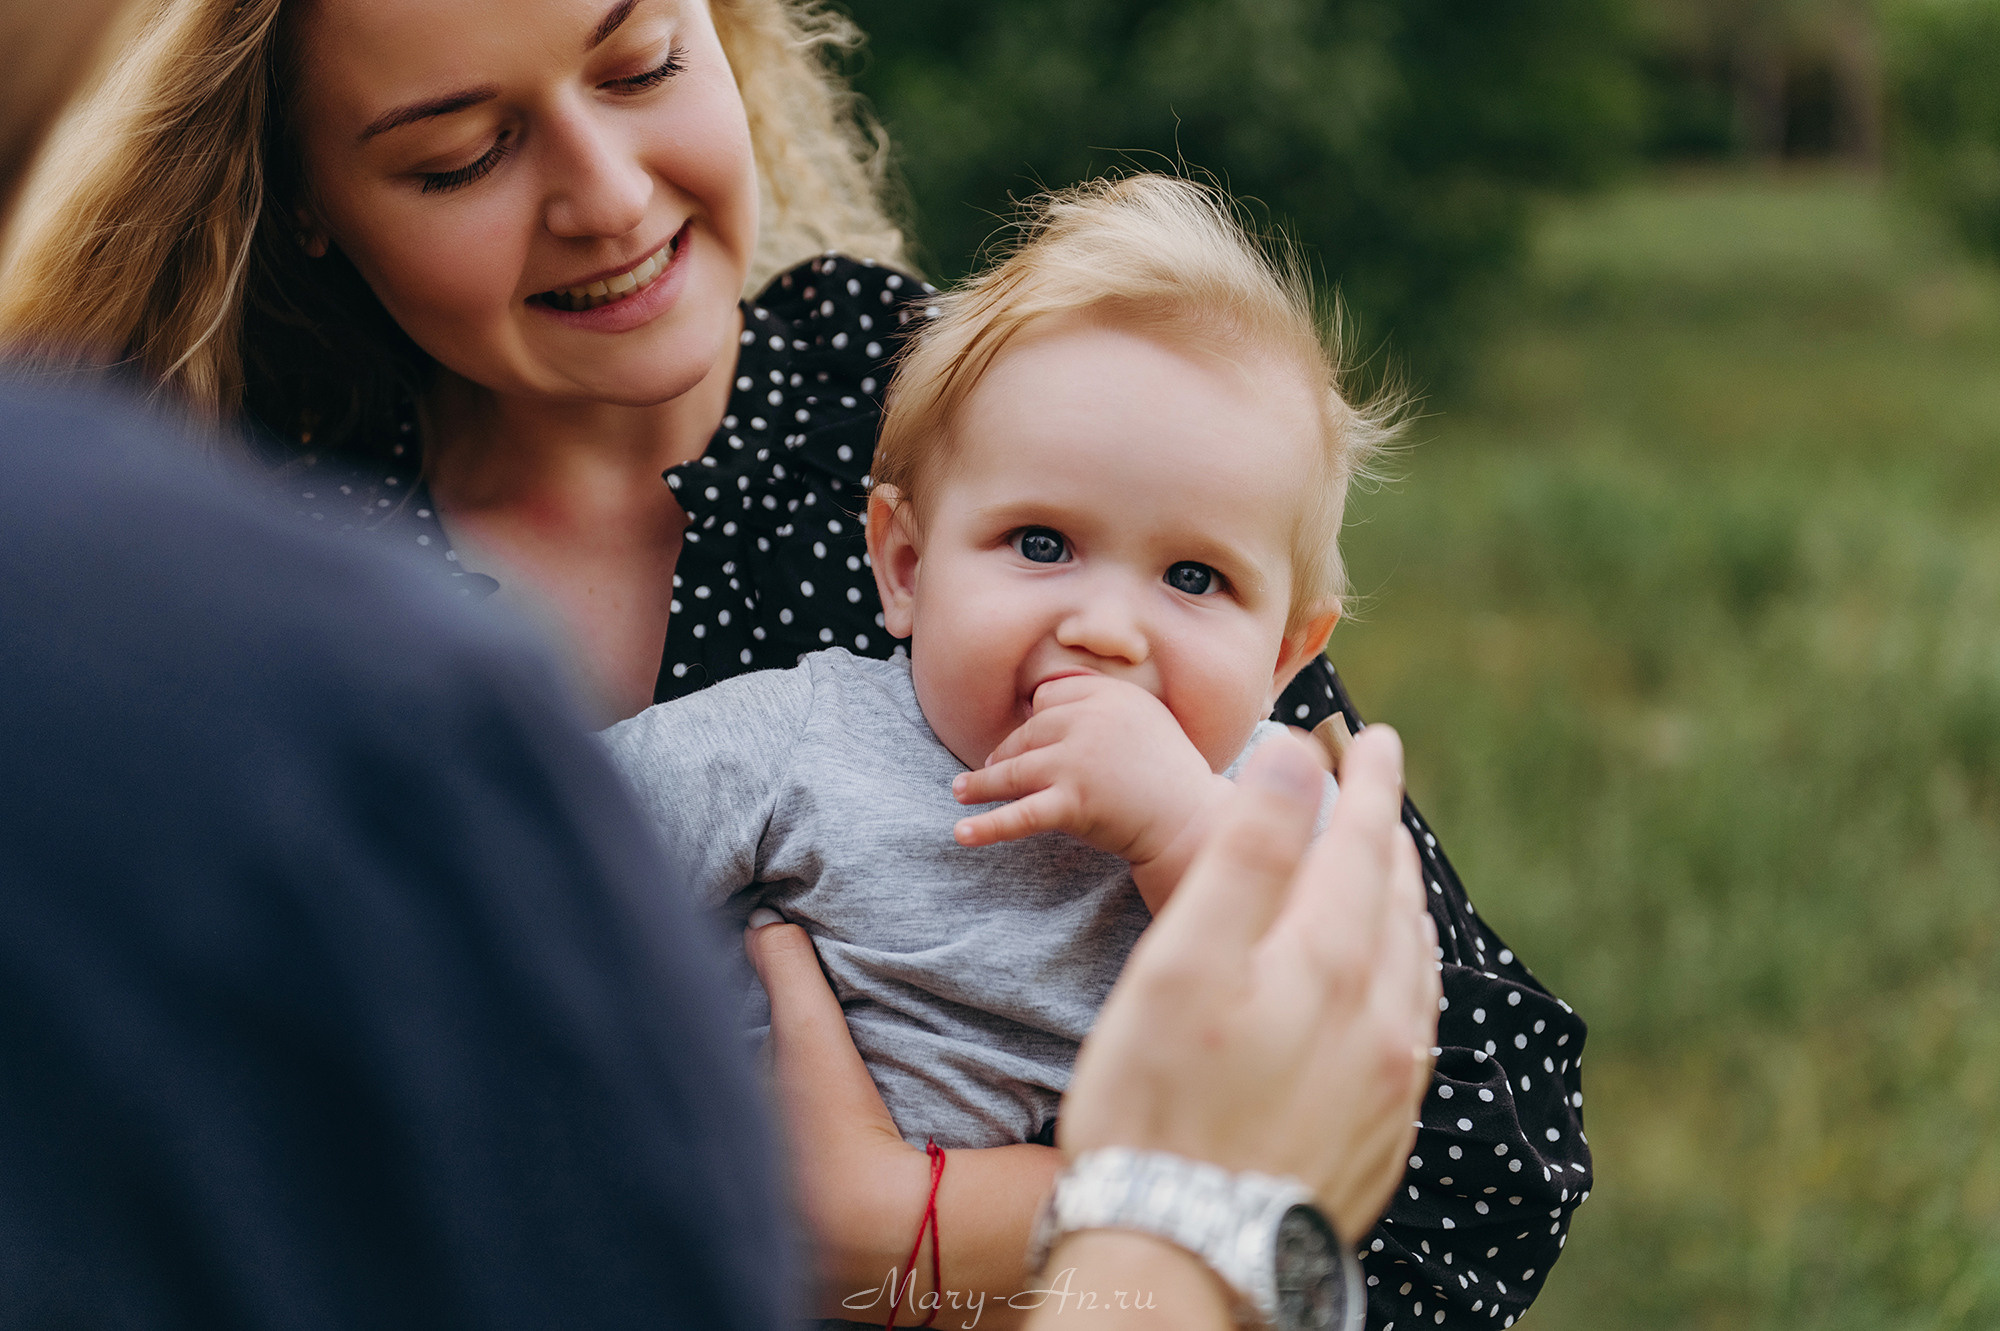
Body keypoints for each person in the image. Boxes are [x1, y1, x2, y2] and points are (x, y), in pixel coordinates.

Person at [0, 0, 1591, 1322]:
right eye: (460, 154)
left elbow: (1470, 1158)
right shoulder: (248, 576)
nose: (609, 194)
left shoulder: (1015, 423)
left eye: (641, 65)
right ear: (302, 205)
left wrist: (909, 1221)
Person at [604, 173, 1377, 1162]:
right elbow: (534, 835)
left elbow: (1331, 1058)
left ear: (1282, 656)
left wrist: (1183, 829)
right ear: (907, 567)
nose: (1104, 628)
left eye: (1192, 575)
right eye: (1041, 544)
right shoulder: (809, 736)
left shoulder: (1275, 811)